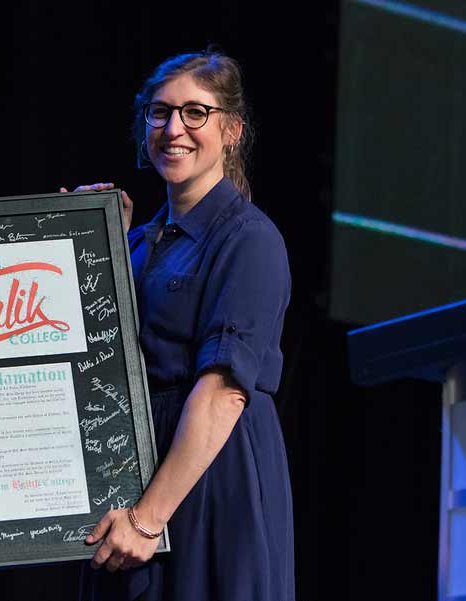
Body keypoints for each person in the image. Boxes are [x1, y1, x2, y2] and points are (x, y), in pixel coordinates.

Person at [70, 50, 294, 601]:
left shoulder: (249, 239)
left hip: (214, 477)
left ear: (231, 130)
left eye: (196, 113)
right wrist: (86, 242)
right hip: (136, 474)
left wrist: (148, 520)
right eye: (160, 112)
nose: (174, 129)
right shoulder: (141, 241)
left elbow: (222, 393)